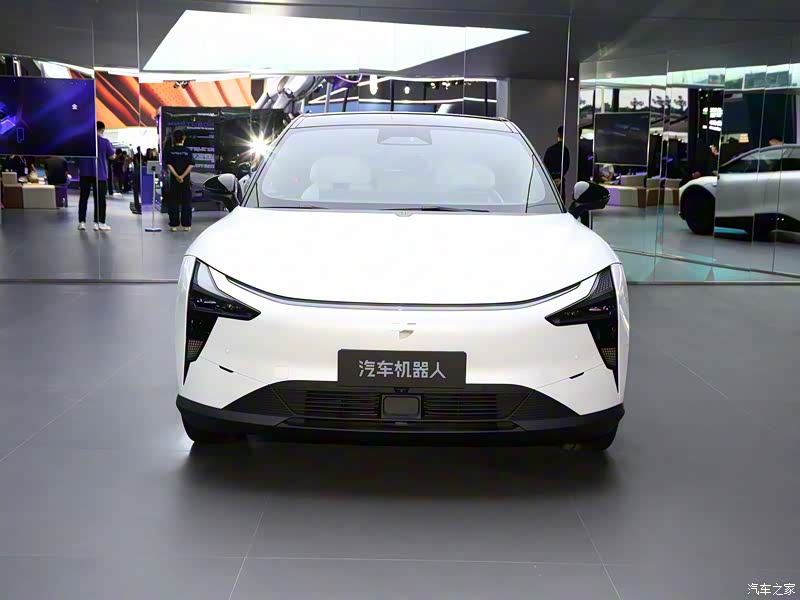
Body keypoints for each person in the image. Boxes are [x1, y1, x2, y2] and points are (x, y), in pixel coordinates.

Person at [77, 121, 115, 232]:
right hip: (100, 174)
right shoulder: (105, 142)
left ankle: (82, 222)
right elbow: (112, 156)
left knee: (83, 198)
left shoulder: (84, 141)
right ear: (102, 130)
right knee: (100, 199)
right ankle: (99, 223)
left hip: (85, 172)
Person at [165, 129, 195, 232]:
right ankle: (186, 225)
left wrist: (177, 176)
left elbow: (169, 165)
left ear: (174, 138)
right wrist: (182, 176)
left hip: (174, 181)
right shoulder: (188, 151)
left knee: (173, 202)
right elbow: (190, 165)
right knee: (186, 202)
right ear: (183, 138)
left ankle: (174, 225)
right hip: (185, 181)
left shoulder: (170, 151)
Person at [543, 125, 571, 196]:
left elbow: (545, 164)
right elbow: (566, 165)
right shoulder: (565, 150)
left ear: (558, 134)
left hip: (550, 180)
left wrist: (551, 178)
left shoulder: (550, 150)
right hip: (560, 181)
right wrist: (560, 177)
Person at [131, 147, 142, 214]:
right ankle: (139, 205)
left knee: (136, 191)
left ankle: (137, 205)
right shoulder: (141, 156)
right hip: (139, 173)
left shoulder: (136, 156)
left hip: (136, 173)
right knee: (139, 191)